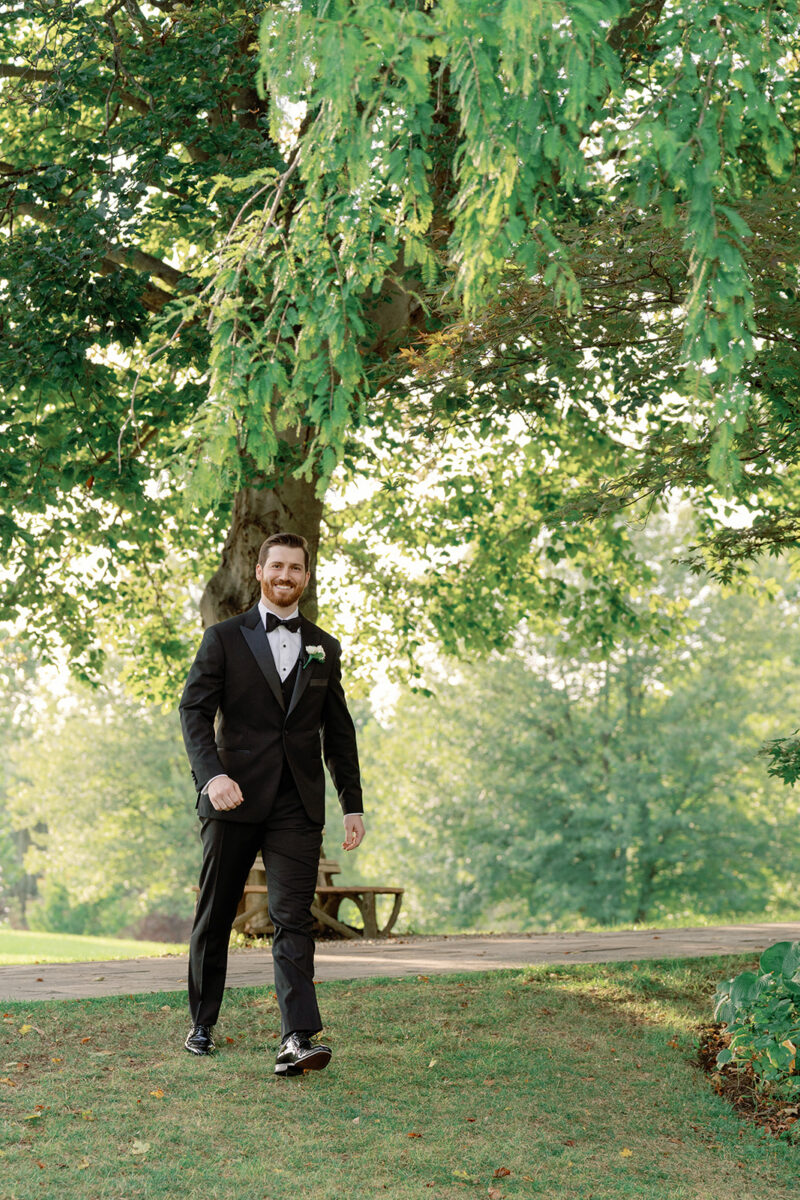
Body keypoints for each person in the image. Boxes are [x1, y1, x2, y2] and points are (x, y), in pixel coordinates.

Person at [179, 531, 365, 1075]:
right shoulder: (222, 638)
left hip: (297, 806)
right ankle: (202, 1022)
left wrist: (351, 803)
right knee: (215, 915)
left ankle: (297, 1037)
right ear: (260, 571)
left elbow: (339, 731)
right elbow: (194, 712)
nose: (286, 576)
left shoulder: (323, 647)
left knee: (292, 919)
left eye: (296, 569)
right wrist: (212, 776)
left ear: (307, 577)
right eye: (276, 566)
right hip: (232, 798)